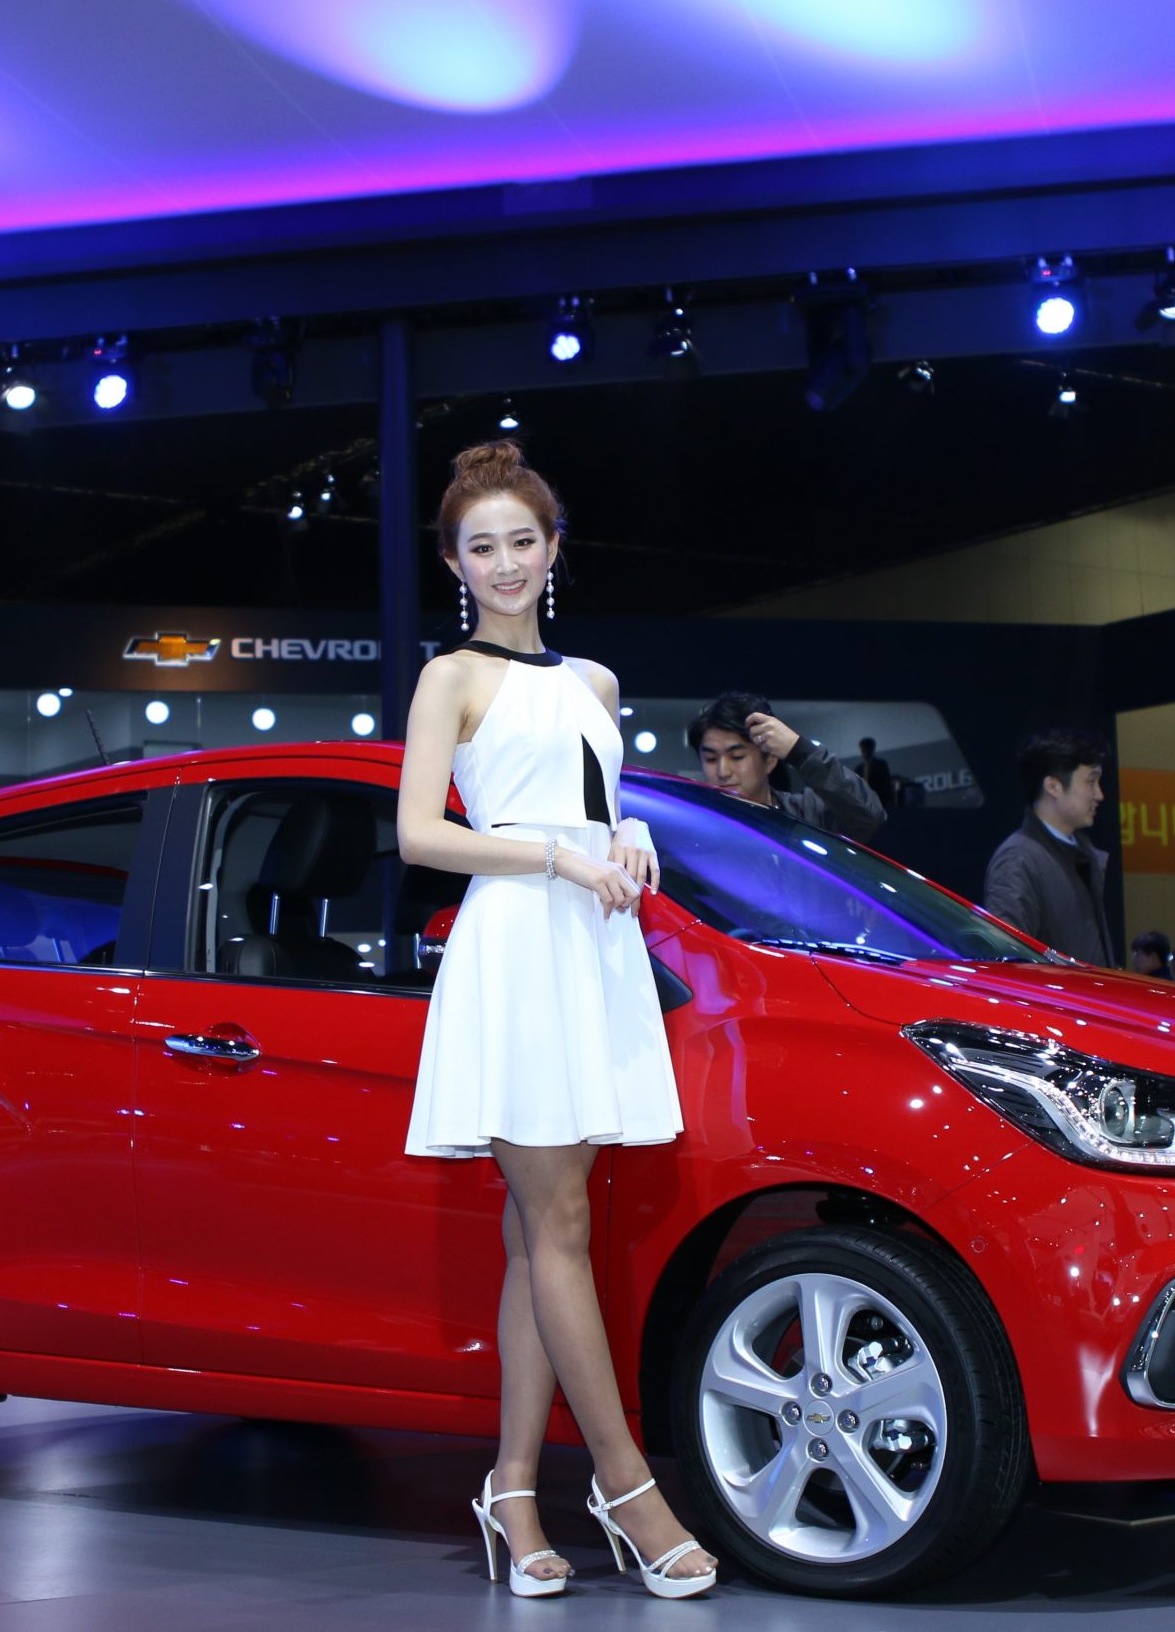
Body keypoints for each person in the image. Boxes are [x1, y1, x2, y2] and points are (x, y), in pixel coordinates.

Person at [397, 439, 716, 1598]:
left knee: (540, 1237)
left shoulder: (593, 681)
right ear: (453, 564)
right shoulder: (450, 679)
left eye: (521, 542)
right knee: (560, 1224)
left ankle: (514, 1490)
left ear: (553, 548)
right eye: (480, 547)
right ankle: (627, 1490)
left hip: (591, 949)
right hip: (519, 947)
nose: (503, 563)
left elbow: (594, 807)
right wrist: (556, 858)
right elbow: (419, 837)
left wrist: (627, 833)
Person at [981, 731, 1113, 965]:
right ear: (1053, 786)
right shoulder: (1018, 860)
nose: (1099, 795)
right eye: (1090, 782)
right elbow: (1007, 962)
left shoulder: (1080, 855)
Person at [686, 692, 886, 841]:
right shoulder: (690, 827)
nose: (722, 771)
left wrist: (799, 751)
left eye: (737, 757)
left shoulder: (807, 814)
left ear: (770, 760)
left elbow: (868, 818)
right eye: (711, 759)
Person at [857, 737, 899, 815]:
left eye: (865, 750)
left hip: (880, 802)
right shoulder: (858, 769)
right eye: (862, 750)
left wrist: (889, 801)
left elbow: (886, 785)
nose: (864, 753)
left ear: (872, 749)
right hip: (865, 804)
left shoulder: (881, 765)